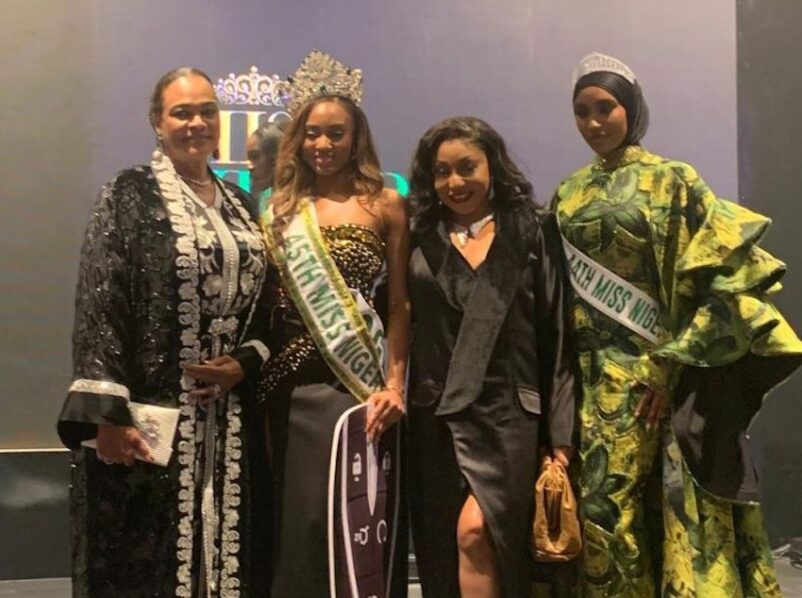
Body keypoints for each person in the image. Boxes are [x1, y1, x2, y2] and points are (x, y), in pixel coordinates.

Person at [551, 52, 802, 596]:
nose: (593, 122)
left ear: (631, 107)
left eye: (605, 108)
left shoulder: (672, 180)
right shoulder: (567, 194)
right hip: (590, 380)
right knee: (602, 515)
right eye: (581, 112)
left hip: (654, 377)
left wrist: (671, 364)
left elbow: (723, 277)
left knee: (653, 509)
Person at [57, 67, 271, 597]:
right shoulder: (128, 195)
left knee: (227, 553)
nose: (196, 123)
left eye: (207, 112)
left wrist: (244, 362)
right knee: (145, 554)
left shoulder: (241, 205)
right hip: (150, 412)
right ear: (157, 122)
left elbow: (267, 304)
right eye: (182, 113)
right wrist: (108, 415)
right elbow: (101, 302)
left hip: (229, 419)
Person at [255, 51, 410, 597]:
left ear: (356, 138)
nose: (323, 144)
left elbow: (399, 305)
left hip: (356, 386)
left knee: (351, 524)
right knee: (298, 524)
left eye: (336, 134)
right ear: (298, 140)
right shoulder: (276, 209)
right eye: (312, 133)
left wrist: (395, 383)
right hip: (288, 388)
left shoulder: (386, 204)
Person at [406, 116, 579, 597]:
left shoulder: (532, 231)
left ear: (492, 167)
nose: (455, 182)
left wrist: (561, 436)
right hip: (435, 420)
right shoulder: (419, 236)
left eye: (467, 167)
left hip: (509, 420)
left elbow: (557, 335)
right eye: (442, 172)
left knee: (479, 534)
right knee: (445, 553)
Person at [246, 118, 290, 209]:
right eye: (249, 158)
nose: (249, 166)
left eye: (254, 156)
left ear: (276, 157)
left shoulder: (305, 205)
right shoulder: (263, 202)